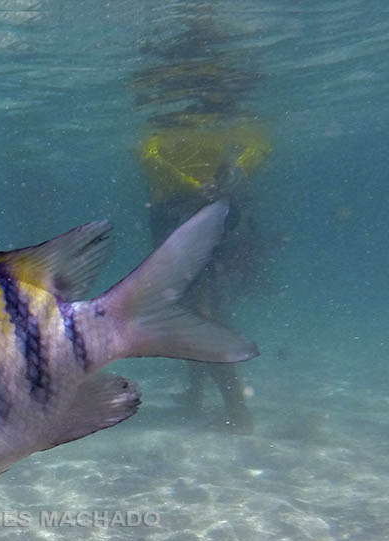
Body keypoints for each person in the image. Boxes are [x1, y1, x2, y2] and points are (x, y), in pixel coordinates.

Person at [132, 18, 272, 434]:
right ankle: (200, 396)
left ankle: (238, 412)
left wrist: (219, 180)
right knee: (188, 303)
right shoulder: (184, 111)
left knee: (199, 307)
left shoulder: (176, 106)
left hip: (188, 214)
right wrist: (221, 180)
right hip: (196, 212)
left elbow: (151, 153)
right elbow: (150, 153)